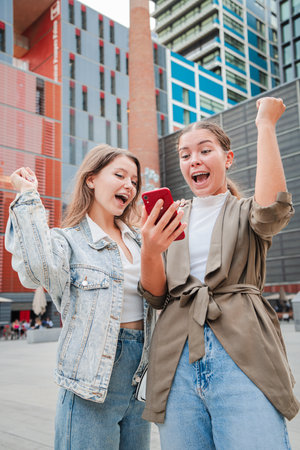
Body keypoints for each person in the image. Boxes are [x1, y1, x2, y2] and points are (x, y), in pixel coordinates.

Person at [140, 97, 299, 449]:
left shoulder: (246, 211)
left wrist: (265, 125)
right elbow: (155, 295)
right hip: (175, 360)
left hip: (243, 354)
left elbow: (273, 210)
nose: (193, 159)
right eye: (184, 154)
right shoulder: (174, 215)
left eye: (204, 150)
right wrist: (150, 250)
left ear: (227, 159)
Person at [5, 144, 154, 450]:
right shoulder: (67, 241)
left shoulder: (140, 239)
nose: (129, 185)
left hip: (142, 381)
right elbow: (36, 270)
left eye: (135, 181)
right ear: (91, 179)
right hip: (90, 382)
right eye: (120, 175)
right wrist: (28, 197)